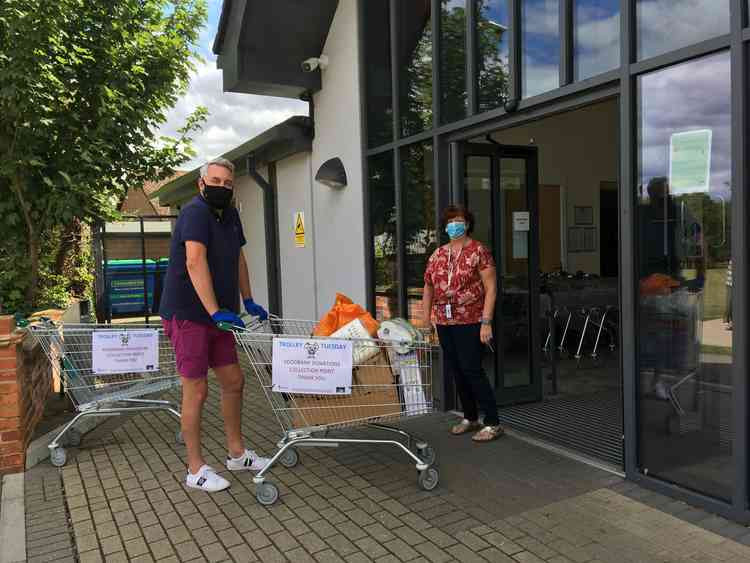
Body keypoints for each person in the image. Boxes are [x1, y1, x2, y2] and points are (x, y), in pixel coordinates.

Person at [159, 157, 270, 492]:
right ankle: (195, 469)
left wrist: (247, 299)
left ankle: (236, 453)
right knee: (197, 389)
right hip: (189, 314)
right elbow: (194, 261)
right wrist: (214, 311)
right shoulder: (194, 212)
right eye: (216, 181)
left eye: (228, 183)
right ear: (202, 183)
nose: (222, 187)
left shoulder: (230, 214)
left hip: (219, 315)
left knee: (234, 381)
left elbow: (238, 258)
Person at [421, 205, 503, 442]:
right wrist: (427, 319)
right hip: (445, 322)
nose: (454, 225)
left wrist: (486, 322)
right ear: (445, 226)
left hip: (471, 320)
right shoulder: (437, 254)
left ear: (467, 224)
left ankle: (493, 422)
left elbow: (491, 288)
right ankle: (470, 417)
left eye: (459, 221)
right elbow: (428, 286)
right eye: (450, 221)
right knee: (457, 370)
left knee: (472, 369)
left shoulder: (479, 251)